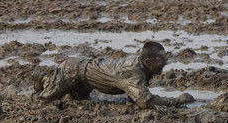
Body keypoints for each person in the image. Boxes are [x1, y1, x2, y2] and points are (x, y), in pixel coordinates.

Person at [32, 41, 194, 109]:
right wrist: (176, 100)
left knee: (78, 101)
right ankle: (28, 89)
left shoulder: (143, 67)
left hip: (85, 79)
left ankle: (45, 80)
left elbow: (135, 95)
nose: (163, 65)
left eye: (164, 60)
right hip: (73, 71)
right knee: (41, 100)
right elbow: (145, 102)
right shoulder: (134, 72)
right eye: (160, 62)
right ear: (147, 61)